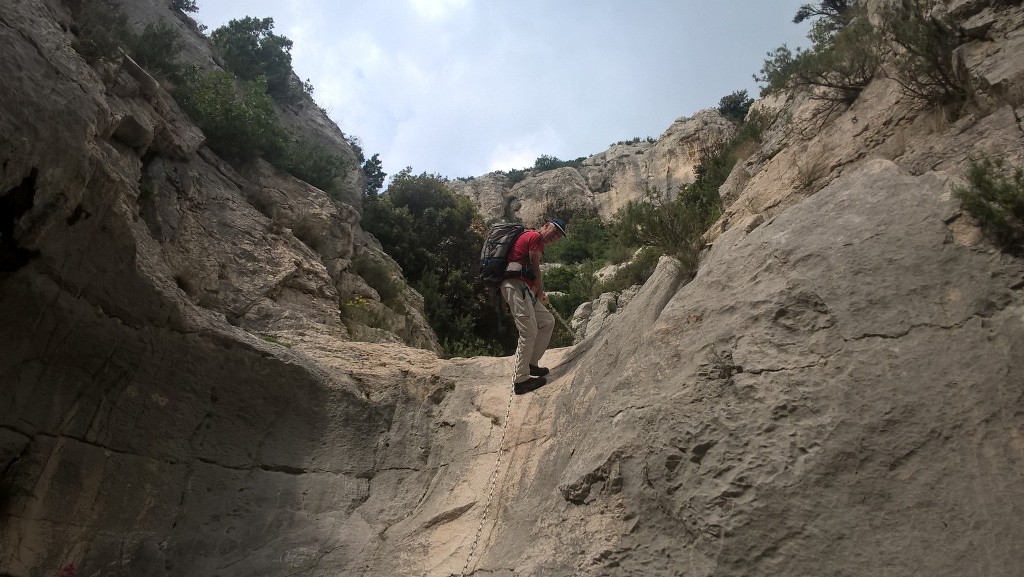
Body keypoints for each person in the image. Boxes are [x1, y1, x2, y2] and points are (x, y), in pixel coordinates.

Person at [501, 218, 567, 394]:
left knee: (547, 321)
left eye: (559, 235)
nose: (556, 236)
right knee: (528, 331)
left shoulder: (533, 238)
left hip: (524, 289)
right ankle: (521, 380)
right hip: (516, 287)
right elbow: (536, 268)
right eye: (555, 231)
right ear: (545, 226)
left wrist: (536, 292)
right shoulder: (535, 237)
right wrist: (540, 293)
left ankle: (531, 363)